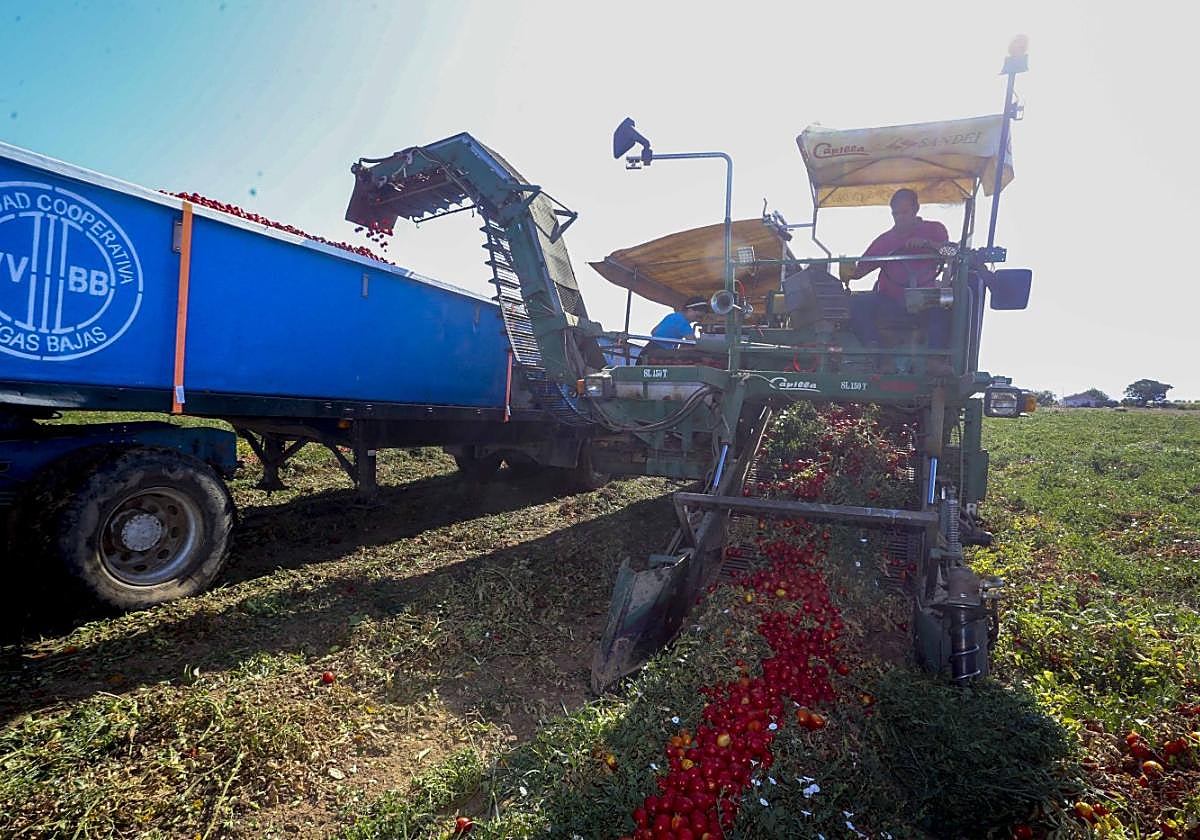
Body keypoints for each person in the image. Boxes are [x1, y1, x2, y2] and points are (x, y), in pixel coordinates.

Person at [841, 188, 951, 352]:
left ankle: (935, 358)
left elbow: (951, 253)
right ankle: (876, 350)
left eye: (904, 213)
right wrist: (848, 271)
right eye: (895, 214)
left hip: (925, 300)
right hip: (890, 301)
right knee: (857, 303)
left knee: (947, 305)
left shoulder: (935, 230)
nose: (899, 218)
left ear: (916, 209)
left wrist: (928, 244)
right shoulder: (885, 240)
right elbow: (860, 271)